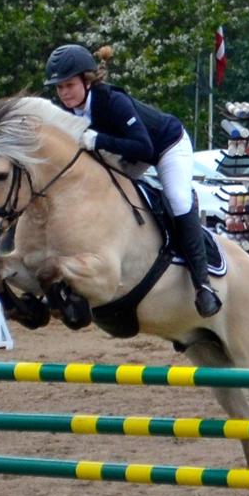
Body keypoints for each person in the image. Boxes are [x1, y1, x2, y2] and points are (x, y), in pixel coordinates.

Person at [43, 42, 222, 317]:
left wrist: (99, 139)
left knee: (177, 199)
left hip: (166, 145)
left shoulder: (112, 101)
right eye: (59, 87)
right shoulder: (69, 113)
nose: (64, 93)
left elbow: (145, 148)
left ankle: (203, 286)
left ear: (86, 80)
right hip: (129, 152)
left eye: (69, 85)